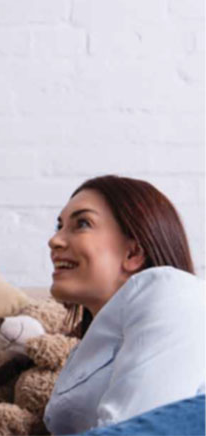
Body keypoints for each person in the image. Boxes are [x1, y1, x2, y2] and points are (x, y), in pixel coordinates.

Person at [43, 175, 205, 436]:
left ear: (133, 253)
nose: (54, 240)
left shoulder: (170, 289)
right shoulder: (83, 353)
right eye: (58, 226)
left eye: (82, 223)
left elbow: (140, 428)